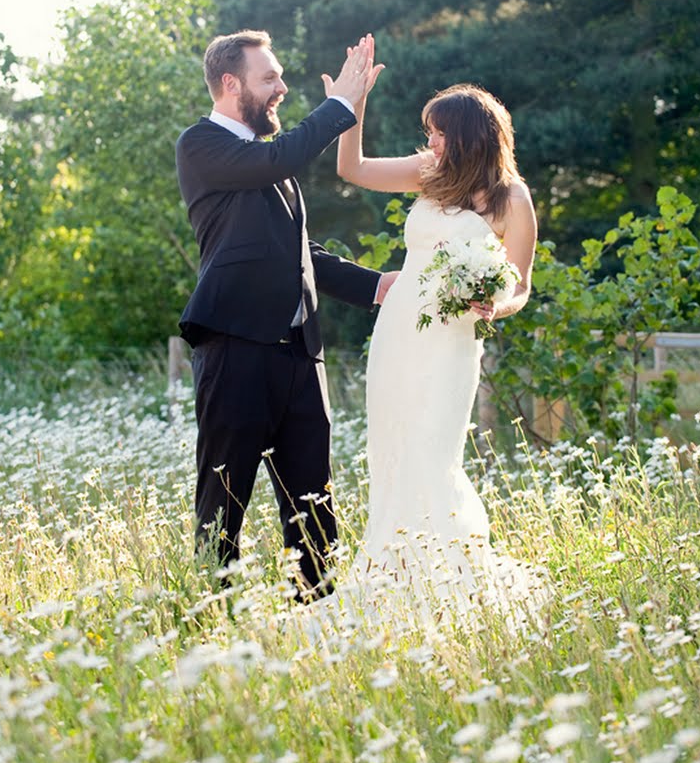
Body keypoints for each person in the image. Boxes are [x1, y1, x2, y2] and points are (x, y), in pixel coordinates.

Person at [176, 31, 397, 602]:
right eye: (269, 78)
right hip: (236, 348)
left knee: (313, 504)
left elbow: (303, 252)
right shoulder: (202, 145)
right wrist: (342, 106)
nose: (282, 88)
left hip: (301, 354)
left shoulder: (267, 165)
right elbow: (283, 154)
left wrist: (379, 287)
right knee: (224, 502)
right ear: (231, 84)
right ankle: (210, 618)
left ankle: (319, 619)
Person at [324, 63, 545, 625]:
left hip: (450, 343)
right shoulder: (429, 174)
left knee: (431, 450)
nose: (431, 141)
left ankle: (451, 582)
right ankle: (392, 580)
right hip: (398, 332)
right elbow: (351, 168)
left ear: (471, 134)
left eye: (440, 132)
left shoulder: (511, 199)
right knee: (392, 452)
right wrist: (354, 106)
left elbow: (519, 285)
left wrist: (496, 304)